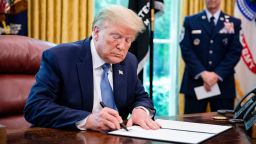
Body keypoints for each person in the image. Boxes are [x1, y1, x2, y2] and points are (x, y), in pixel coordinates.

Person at [24, 5, 161, 132]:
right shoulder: (60, 57)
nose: (122, 46)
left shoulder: (129, 61)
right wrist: (88, 120)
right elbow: (35, 107)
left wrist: (141, 110)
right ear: (96, 32)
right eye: (116, 37)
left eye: (128, 40)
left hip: (118, 137)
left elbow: (141, 96)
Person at [179, 0, 242, 114]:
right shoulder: (190, 21)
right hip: (195, 83)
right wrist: (204, 74)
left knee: (224, 127)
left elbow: (235, 52)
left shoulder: (234, 23)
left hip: (223, 85)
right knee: (192, 126)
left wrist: (216, 75)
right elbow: (186, 49)